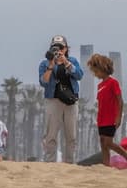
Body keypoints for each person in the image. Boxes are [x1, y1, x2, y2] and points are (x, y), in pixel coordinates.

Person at [38, 35, 84, 163]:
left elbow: (79, 75)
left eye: (61, 47)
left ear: (66, 49)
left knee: (71, 135)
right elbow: (43, 82)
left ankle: (69, 163)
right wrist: (51, 65)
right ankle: (50, 162)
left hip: (71, 101)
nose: (58, 50)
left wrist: (66, 62)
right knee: (51, 134)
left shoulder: (72, 60)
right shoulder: (44, 63)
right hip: (53, 100)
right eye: (55, 47)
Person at [87, 53, 127, 167]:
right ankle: (106, 165)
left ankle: (125, 155)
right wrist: (98, 119)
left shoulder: (113, 82)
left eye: (96, 71)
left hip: (111, 118)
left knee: (108, 142)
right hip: (101, 119)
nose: (95, 74)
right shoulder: (100, 86)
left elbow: (120, 101)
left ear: (103, 69)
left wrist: (118, 117)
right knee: (103, 143)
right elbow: (100, 104)